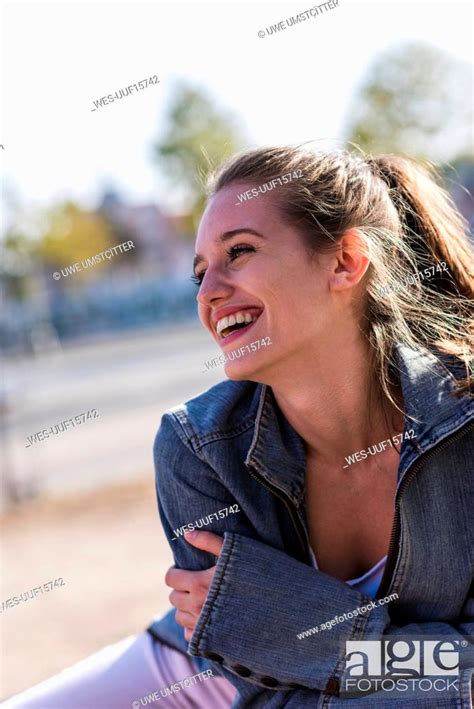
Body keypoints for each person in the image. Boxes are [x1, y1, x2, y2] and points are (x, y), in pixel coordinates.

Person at [3, 145, 473, 708]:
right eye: (199, 273)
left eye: (240, 252)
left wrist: (301, 629)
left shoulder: (463, 425)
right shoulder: (196, 445)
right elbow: (264, 696)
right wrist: (418, 666)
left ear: (345, 260)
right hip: (196, 676)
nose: (208, 293)